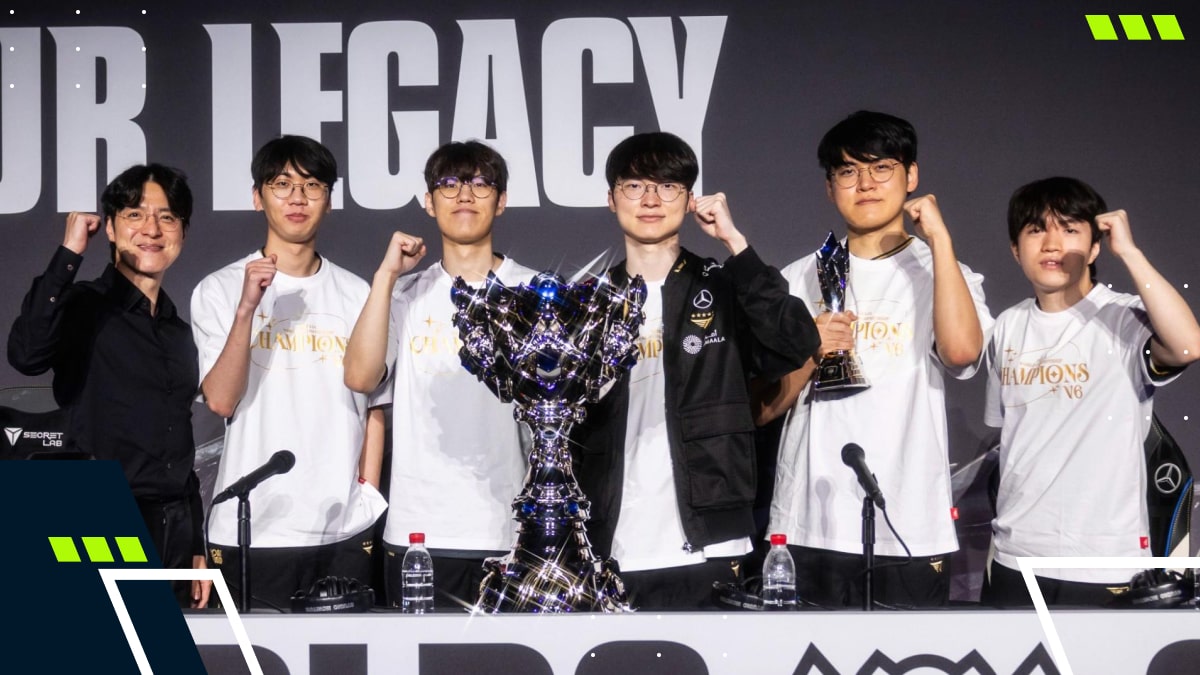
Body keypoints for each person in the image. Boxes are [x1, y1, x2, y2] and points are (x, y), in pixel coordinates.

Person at [570, 131, 820, 610]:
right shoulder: (585, 302)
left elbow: (795, 343)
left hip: (712, 538)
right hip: (610, 538)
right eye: (634, 186)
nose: (650, 200)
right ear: (610, 199)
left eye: (667, 187)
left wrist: (735, 242)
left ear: (689, 200)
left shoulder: (725, 285)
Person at [764, 110, 993, 608]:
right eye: (847, 171)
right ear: (830, 188)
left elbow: (961, 353)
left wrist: (942, 243)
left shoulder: (945, 271)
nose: (864, 183)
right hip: (810, 522)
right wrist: (810, 350)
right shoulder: (798, 278)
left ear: (911, 176)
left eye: (881, 167)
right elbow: (764, 406)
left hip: (908, 520)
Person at [981, 177, 1200, 607]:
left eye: (1068, 228)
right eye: (1035, 230)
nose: (1050, 243)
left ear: (1096, 246)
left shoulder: (1123, 318)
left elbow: (1189, 345)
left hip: (1104, 559)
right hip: (1015, 554)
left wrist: (1131, 254)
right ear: (1015, 249)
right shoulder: (1007, 324)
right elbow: (1006, 433)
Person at [191, 135, 387, 611]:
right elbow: (220, 400)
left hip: (342, 526)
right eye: (282, 184)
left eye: (312, 185)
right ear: (258, 197)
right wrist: (247, 309)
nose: (297, 198)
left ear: (329, 200)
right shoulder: (219, 289)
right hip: (249, 526)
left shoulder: (357, 292)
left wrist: (366, 495)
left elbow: (377, 405)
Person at [343, 140, 535, 609]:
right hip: (419, 536)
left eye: (480, 183)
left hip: (510, 531)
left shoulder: (536, 293)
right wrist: (386, 277)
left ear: (502, 200)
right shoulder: (405, 294)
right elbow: (361, 377)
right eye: (448, 184)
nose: (464, 194)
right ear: (429, 203)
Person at [8, 164, 210, 608]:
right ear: (113, 229)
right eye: (136, 215)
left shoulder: (178, 331)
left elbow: (180, 438)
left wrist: (197, 540)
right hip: (99, 520)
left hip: (174, 529)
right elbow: (25, 355)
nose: (152, 229)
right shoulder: (83, 306)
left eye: (167, 217)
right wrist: (69, 252)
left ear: (183, 233)